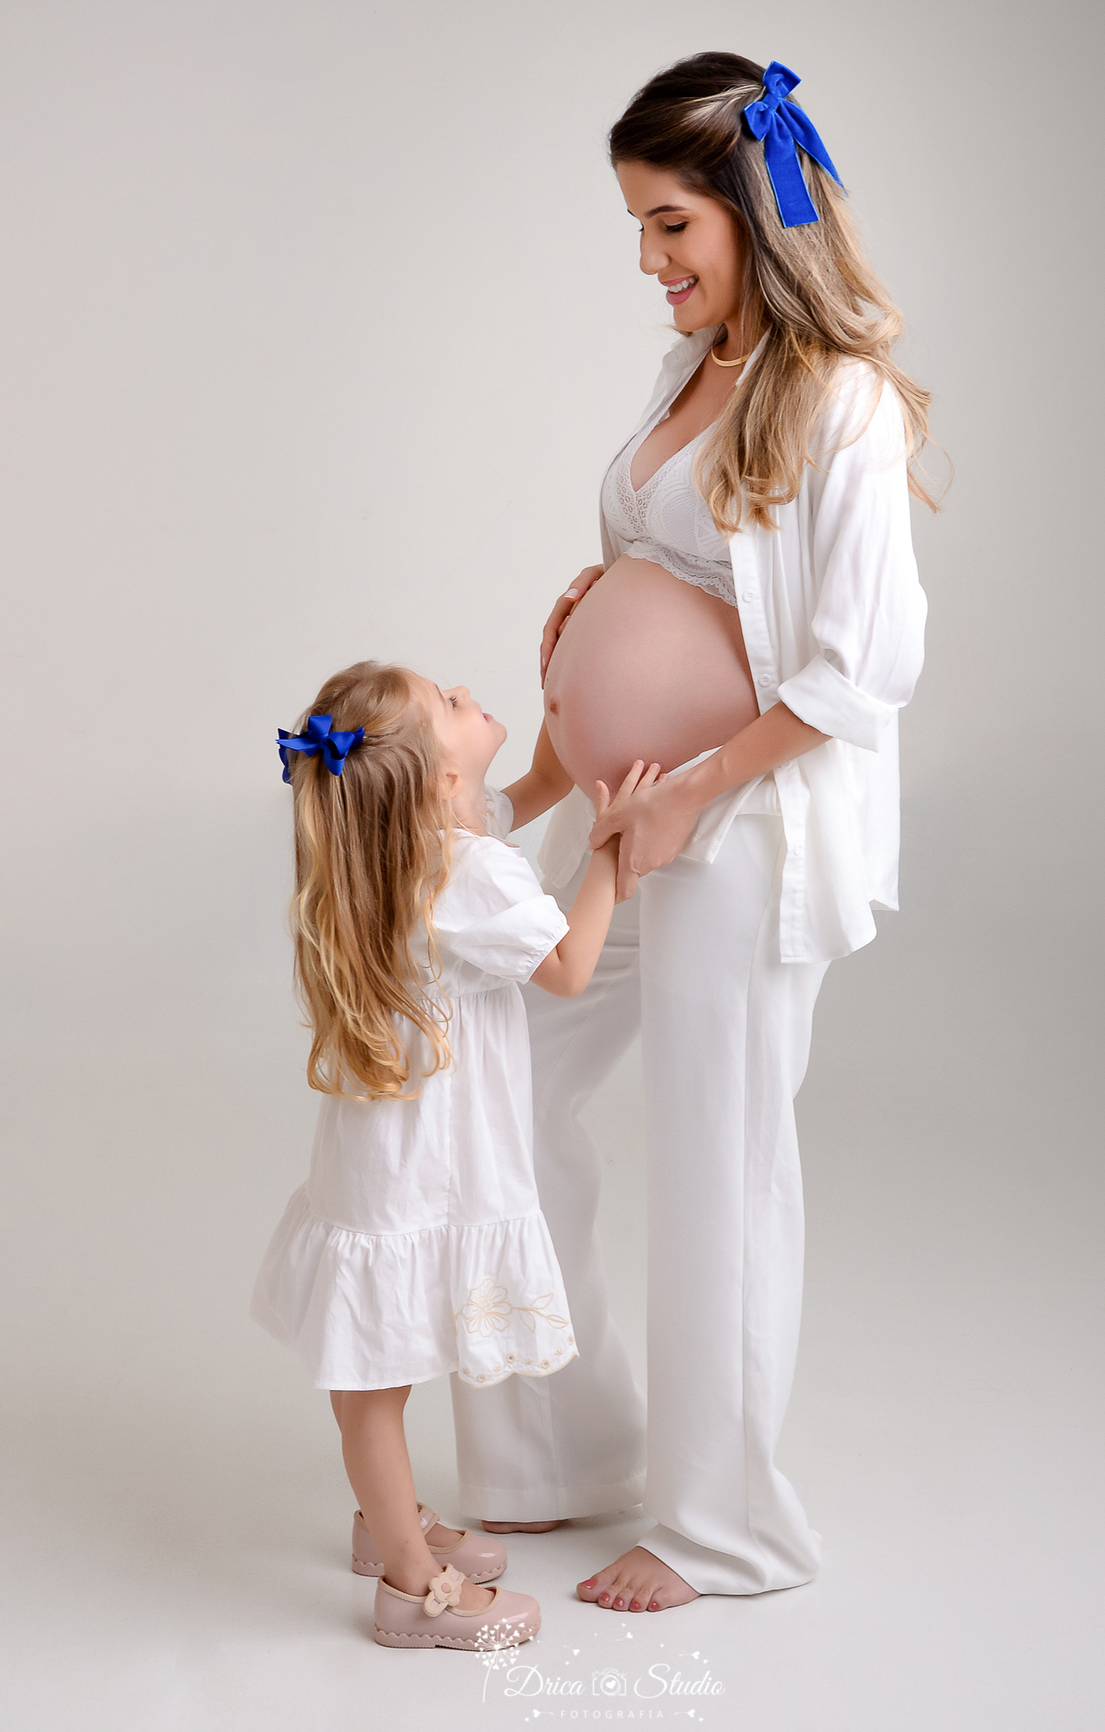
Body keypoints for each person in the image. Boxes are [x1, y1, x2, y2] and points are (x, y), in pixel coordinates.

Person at [449, 52, 935, 1613]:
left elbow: (856, 669)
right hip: (625, 823)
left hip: (742, 827)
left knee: (718, 1164)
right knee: (502, 1081)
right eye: (637, 231)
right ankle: (554, 1455)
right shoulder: (687, 370)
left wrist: (692, 795)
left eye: (670, 225)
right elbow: (669, 576)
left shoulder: (839, 399)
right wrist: (583, 664)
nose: (648, 264)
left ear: (747, 210)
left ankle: (725, 1526)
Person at [250, 659, 655, 1649]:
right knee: (379, 1384)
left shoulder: (415, 846)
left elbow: (534, 786)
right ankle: (409, 1585)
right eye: (450, 702)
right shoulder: (467, 870)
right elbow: (566, 967)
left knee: (369, 1373)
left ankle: (384, 1523)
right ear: (438, 780)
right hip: (425, 1170)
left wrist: (567, 687)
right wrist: (611, 852)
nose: (468, 690)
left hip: (373, 1161)